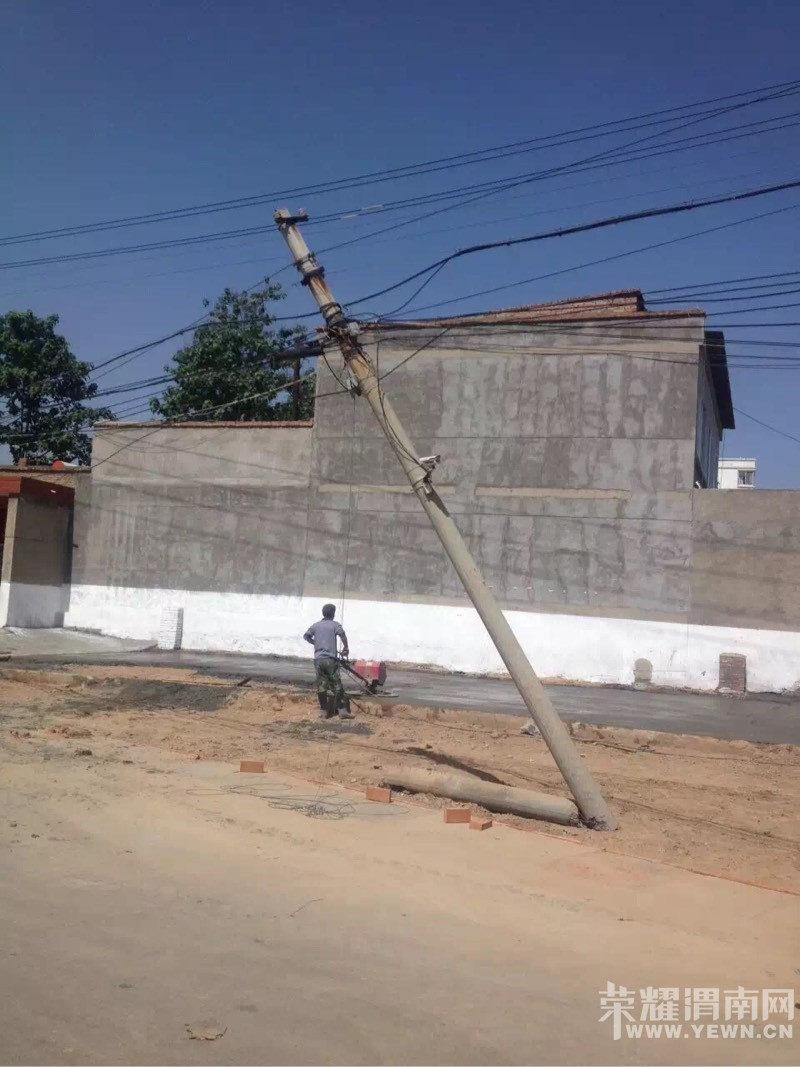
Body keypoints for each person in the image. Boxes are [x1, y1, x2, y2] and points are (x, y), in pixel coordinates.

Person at [303, 603, 352, 720]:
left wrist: (316, 643)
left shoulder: (316, 625)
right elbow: (342, 634)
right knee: (337, 685)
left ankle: (323, 712)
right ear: (333, 614)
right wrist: (346, 648)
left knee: (321, 686)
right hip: (330, 660)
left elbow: (306, 636)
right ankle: (342, 710)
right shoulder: (335, 625)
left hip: (319, 660)